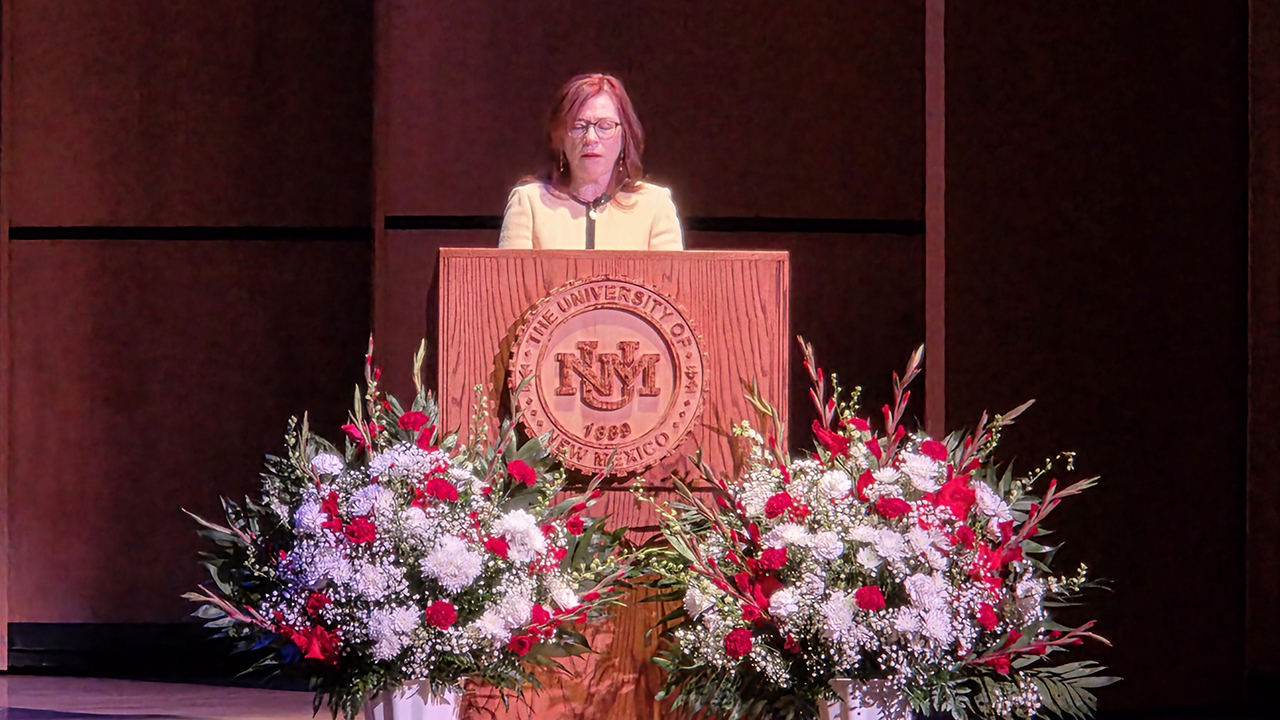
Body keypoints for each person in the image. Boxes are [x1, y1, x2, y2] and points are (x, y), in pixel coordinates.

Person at [498, 74, 683, 250]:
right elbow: (510, 281)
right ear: (560, 138)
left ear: (625, 136)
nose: (591, 138)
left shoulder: (655, 205)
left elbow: (670, 282)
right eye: (579, 127)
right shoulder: (528, 203)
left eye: (605, 126)